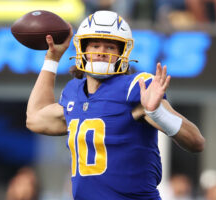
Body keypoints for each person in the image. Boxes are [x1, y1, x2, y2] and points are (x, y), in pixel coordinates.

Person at [26, 10, 205, 200]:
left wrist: (156, 111)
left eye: (110, 47)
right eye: (95, 45)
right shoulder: (74, 94)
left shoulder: (135, 88)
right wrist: (51, 59)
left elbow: (196, 142)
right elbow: (35, 119)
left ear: (122, 53)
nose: (102, 52)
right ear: (82, 49)